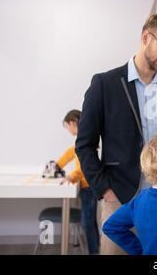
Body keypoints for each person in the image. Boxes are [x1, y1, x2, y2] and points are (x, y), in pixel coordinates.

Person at [75, 14, 157, 255]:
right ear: (146, 37)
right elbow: (85, 145)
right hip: (119, 198)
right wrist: (104, 190)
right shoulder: (104, 84)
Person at [56, 109, 99, 255]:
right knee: (87, 222)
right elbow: (72, 152)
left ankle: (94, 252)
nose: (67, 130)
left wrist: (71, 177)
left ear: (73, 122)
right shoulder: (82, 138)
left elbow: (83, 167)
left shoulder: (85, 138)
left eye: (67, 126)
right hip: (85, 186)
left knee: (88, 223)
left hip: (89, 186)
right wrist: (57, 166)